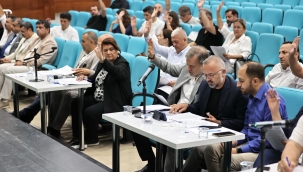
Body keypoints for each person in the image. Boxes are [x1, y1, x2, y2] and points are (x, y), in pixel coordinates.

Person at [184, 62, 288, 172]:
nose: (238, 85)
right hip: (248, 142)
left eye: (242, 81)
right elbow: (247, 128)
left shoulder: (272, 101)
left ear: (255, 81)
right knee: (208, 148)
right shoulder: (252, 96)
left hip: (263, 150)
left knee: (226, 159)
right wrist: (234, 141)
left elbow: (269, 140)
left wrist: (238, 150)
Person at [132, 46, 209, 172]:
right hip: (173, 111)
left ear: (203, 65)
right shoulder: (187, 68)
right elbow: (170, 68)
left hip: (189, 116)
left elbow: (200, 108)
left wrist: (186, 108)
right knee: (138, 124)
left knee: (168, 139)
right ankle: (153, 163)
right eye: (187, 65)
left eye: (192, 66)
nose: (188, 68)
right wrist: (153, 58)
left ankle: (162, 168)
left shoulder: (207, 80)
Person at [168, 56, 248, 172]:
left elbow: (241, 122)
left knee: (198, 149)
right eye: (205, 75)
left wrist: (220, 122)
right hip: (202, 130)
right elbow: (200, 108)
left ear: (223, 72)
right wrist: (187, 106)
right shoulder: (205, 85)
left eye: (211, 75)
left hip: (222, 133)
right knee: (172, 142)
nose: (207, 78)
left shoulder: (237, 91)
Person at [68, 37, 132, 149]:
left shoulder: (122, 64)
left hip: (113, 101)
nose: (108, 52)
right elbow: (96, 77)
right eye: (105, 50)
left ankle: (92, 139)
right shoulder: (103, 63)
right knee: (76, 102)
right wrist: (86, 77)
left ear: (117, 50)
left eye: (111, 49)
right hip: (99, 97)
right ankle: (77, 137)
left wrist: (103, 61)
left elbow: (117, 73)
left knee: (89, 112)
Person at [47, 32, 110, 138]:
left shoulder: (101, 56)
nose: (81, 43)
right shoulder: (84, 52)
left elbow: (97, 74)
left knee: (69, 95)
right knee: (56, 90)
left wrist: (87, 74)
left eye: (83, 41)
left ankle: (55, 128)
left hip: (89, 87)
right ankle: (51, 124)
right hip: (78, 80)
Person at [0, 20, 57, 108]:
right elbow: (26, 53)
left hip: (33, 67)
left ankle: (5, 99)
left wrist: (22, 62)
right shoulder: (38, 39)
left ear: (48, 30)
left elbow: (40, 61)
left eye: (41, 27)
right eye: (37, 27)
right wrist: (16, 61)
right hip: (25, 63)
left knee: (9, 70)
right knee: (1, 68)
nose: (38, 29)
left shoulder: (50, 43)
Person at [217, 2, 252, 74]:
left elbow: (245, 55)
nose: (236, 29)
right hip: (222, 62)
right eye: (234, 27)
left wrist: (231, 56)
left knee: (214, 70)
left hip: (233, 65)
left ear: (244, 28)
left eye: (238, 27)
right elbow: (221, 27)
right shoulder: (230, 35)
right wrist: (218, 12)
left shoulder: (246, 39)